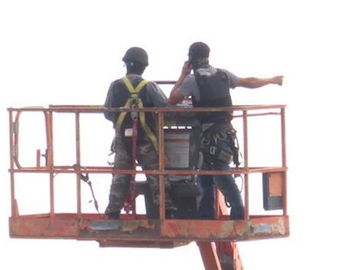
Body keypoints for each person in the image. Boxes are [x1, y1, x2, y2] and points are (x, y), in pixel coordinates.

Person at [169, 42, 283, 220]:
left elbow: (172, 99)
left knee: (221, 176)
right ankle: (205, 215)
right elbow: (248, 82)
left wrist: (183, 74)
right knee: (205, 177)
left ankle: (238, 214)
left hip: (209, 137)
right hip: (224, 135)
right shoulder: (223, 75)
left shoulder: (192, 80)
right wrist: (270, 80)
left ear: (190, 60)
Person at [101, 47, 171, 219]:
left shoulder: (116, 86)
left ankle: (113, 212)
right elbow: (165, 109)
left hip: (123, 139)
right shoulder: (149, 87)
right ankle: (166, 210)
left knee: (121, 174)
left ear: (125, 65)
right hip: (146, 139)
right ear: (144, 67)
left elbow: (108, 112)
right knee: (156, 174)